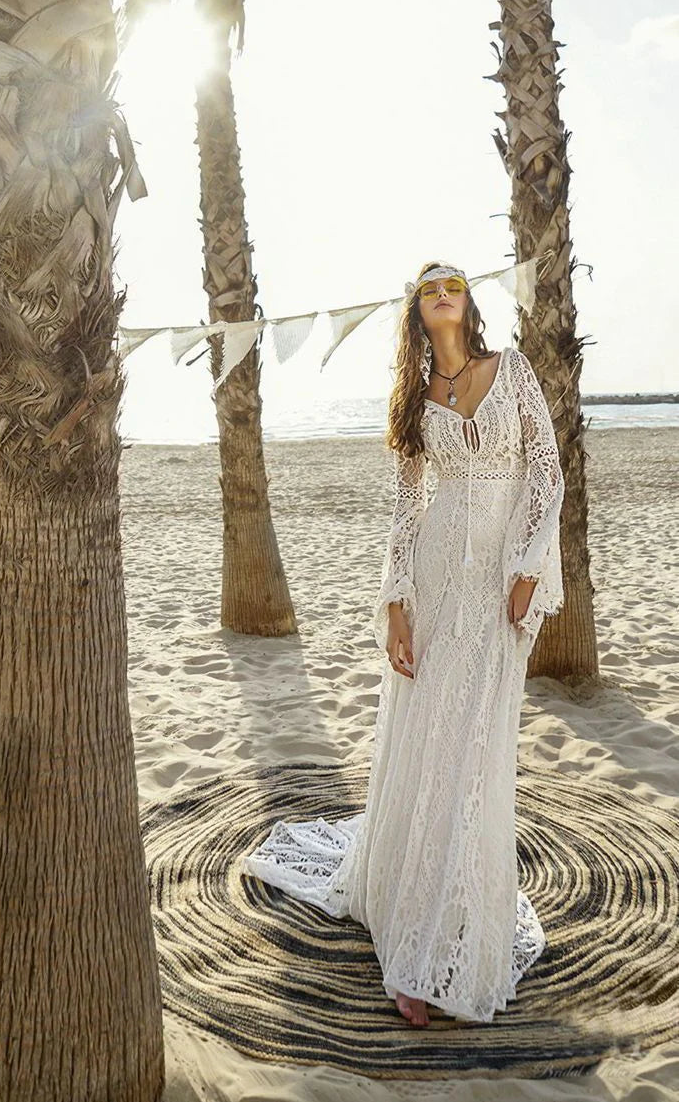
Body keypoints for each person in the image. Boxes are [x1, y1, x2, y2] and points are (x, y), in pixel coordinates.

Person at [241, 261, 565, 1027]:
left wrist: (526, 568)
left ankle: (454, 915)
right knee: (425, 747)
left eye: (452, 280)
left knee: (472, 751)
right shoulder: (416, 403)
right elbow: (405, 508)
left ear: (469, 301)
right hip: (431, 588)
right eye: (428, 287)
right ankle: (413, 939)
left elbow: (547, 474)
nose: (443, 289)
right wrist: (395, 604)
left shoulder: (511, 369)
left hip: (494, 594)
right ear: (418, 314)